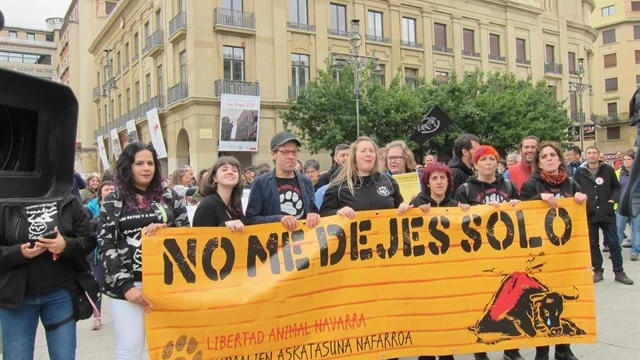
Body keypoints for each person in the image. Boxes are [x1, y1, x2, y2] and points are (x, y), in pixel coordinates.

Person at [98, 141, 189, 360]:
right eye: (139, 163)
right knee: (130, 347)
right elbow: (106, 244)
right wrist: (126, 286)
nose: (146, 168)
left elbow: (186, 236)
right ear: (128, 167)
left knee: (171, 347)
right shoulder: (113, 200)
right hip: (127, 288)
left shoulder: (170, 198)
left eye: (150, 163)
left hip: (165, 284)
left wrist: (167, 230)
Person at [0, 188, 96, 359]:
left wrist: (66, 245)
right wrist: (17, 254)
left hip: (60, 294)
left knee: (64, 356)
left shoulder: (66, 199)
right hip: (16, 298)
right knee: (16, 356)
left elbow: (88, 239)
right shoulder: (4, 200)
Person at [453, 145, 522, 360]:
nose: (488, 163)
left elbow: (523, 217)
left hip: (505, 254)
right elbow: (455, 222)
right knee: (479, 304)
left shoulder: (509, 186)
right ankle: (479, 351)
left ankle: (512, 350)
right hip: (477, 256)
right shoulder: (465, 189)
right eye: (483, 160)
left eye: (492, 159)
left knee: (511, 302)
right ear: (475, 164)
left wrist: (517, 205)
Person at [520, 141, 587, 360]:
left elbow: (584, 218)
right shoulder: (532, 185)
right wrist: (537, 200)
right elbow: (520, 213)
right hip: (542, 254)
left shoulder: (571, 184)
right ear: (538, 162)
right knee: (544, 302)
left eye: (552, 155)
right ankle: (542, 350)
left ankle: (563, 347)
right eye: (544, 156)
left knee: (564, 303)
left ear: (560, 159)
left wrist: (581, 201)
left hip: (567, 255)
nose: (549, 159)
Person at [398, 162, 468, 360]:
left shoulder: (456, 206)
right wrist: (405, 209)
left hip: (448, 278)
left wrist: (466, 211)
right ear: (427, 183)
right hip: (424, 279)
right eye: (434, 178)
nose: (439, 182)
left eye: (443, 178)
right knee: (427, 335)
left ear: (448, 182)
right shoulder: (416, 204)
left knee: (446, 337)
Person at [573, 146, 634, 285]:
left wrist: (613, 199)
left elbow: (616, 187)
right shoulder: (580, 172)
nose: (592, 155)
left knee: (613, 242)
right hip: (590, 213)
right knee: (593, 244)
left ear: (599, 155)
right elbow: (575, 189)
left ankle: (619, 271)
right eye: (589, 153)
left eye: (594, 153)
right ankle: (598, 271)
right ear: (585, 156)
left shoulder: (607, 169)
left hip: (607, 213)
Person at [246, 132, 320, 231]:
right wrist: (279, 219)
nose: (291, 156)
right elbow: (251, 219)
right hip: (275, 242)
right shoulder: (261, 183)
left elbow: (313, 210)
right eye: (285, 152)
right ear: (273, 154)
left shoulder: (305, 181)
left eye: (294, 152)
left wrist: (314, 216)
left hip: (302, 242)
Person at [320, 137, 403, 217]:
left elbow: (399, 209)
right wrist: (337, 212)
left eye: (371, 151)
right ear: (354, 156)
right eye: (363, 151)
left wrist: (404, 207)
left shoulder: (388, 181)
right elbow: (324, 213)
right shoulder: (339, 184)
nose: (368, 154)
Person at [192, 157, 245, 230]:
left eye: (234, 170)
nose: (230, 172)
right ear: (215, 178)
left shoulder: (237, 203)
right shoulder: (207, 205)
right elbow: (200, 236)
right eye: (224, 169)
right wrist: (224, 227)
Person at [615, 150, 640, 260]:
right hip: (622, 205)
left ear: (634, 161)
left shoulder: (638, 173)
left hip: (636, 205)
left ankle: (635, 251)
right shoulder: (618, 172)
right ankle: (616, 249)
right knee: (619, 228)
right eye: (624, 159)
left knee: (636, 229)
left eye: (629, 159)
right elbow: (615, 188)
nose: (626, 161)